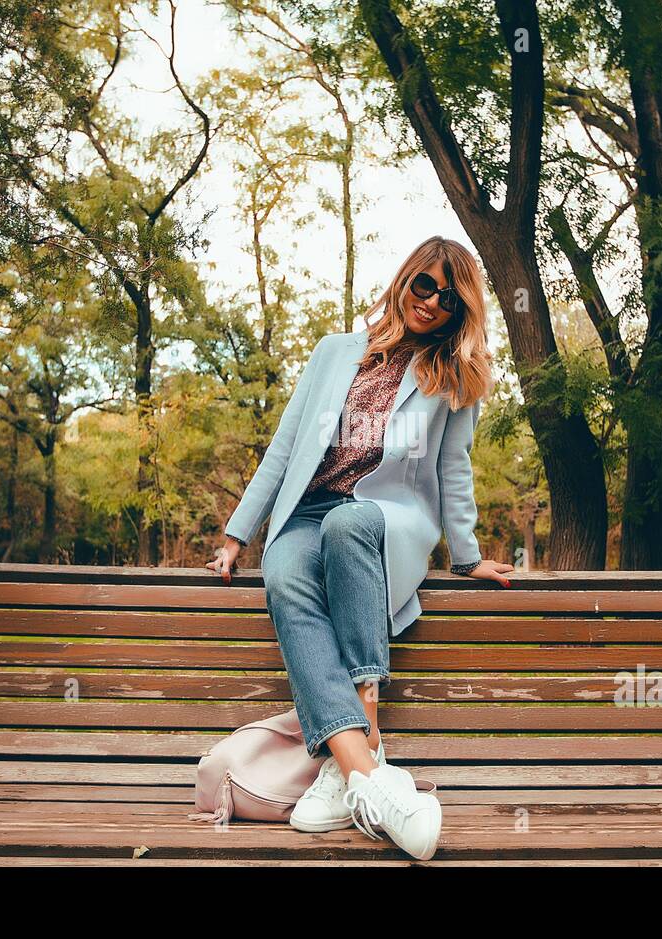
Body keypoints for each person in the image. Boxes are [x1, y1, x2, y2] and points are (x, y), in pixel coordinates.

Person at [205, 236, 513, 860]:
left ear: (460, 311)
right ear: (404, 281)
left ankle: (359, 740)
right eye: (423, 285)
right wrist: (239, 535)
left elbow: (455, 470)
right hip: (306, 511)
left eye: (449, 298)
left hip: (384, 516)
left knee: (349, 526)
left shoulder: (451, 376)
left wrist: (466, 555)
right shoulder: (333, 352)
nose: (431, 302)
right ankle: (364, 774)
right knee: (284, 577)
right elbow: (286, 449)